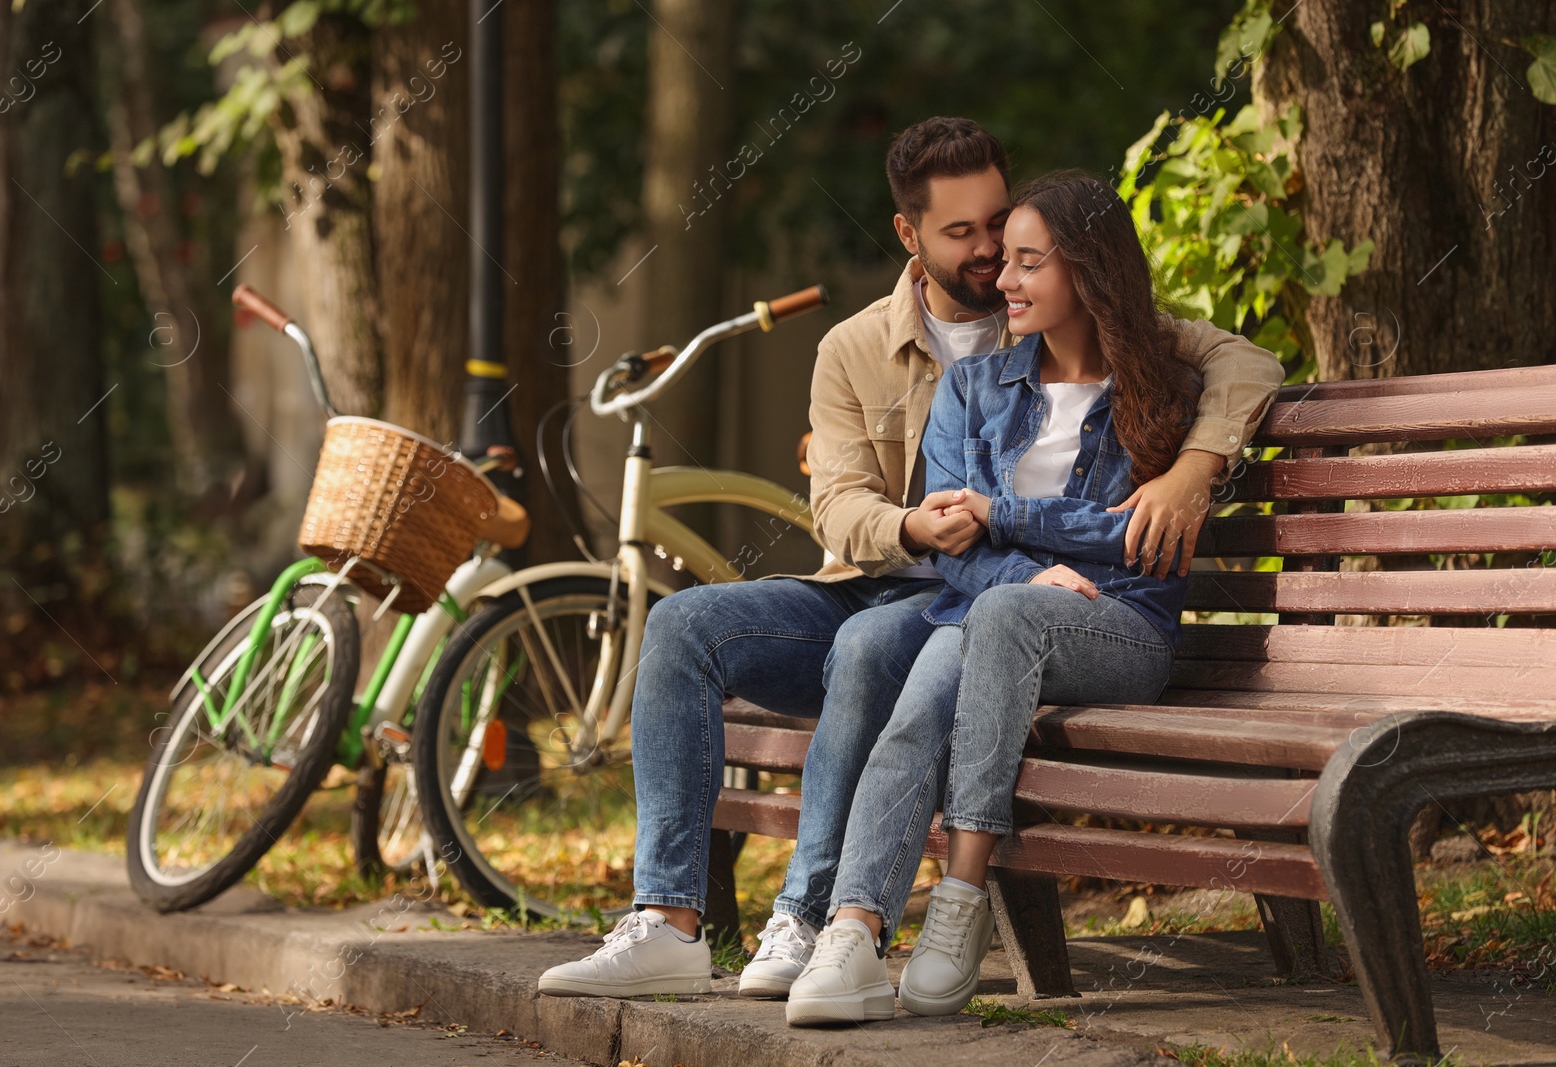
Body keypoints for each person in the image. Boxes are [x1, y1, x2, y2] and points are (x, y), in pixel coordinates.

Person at [538, 122, 1284, 1001]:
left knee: (879, 649)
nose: (988, 257)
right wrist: (913, 528)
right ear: (909, 236)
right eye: (962, 235)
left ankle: (815, 917)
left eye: (1000, 230)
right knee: (681, 626)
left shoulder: (1077, 311)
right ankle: (668, 922)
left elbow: (1239, 360)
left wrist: (1196, 469)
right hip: (885, 580)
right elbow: (837, 505)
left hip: (984, 609)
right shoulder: (856, 348)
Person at [783, 169, 1232, 1025]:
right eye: (1007, 260)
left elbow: (1133, 538)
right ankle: (854, 928)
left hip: (1122, 624)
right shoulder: (974, 387)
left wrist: (1008, 516)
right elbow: (956, 549)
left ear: (1091, 272)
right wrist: (1023, 572)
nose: (1005, 280)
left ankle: (960, 897)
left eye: (1031, 262)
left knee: (995, 616)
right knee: (925, 701)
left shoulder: (1163, 393)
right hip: (1002, 612)